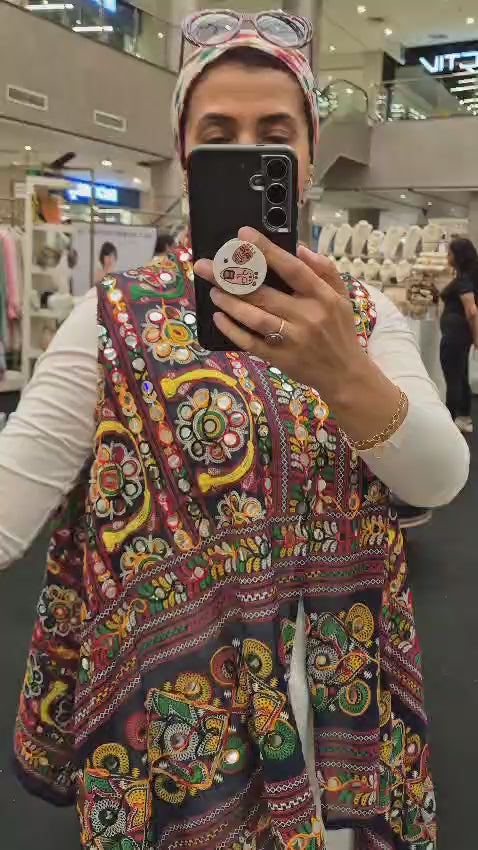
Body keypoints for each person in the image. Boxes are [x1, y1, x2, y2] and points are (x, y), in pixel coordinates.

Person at [1, 10, 469, 850]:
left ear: (310, 154)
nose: (247, 149)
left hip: (334, 702)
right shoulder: (109, 320)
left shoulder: (364, 317)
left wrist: (342, 370)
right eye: (218, 134)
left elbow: (438, 477)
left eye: (275, 134)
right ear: (184, 152)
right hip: (180, 718)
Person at [440, 236, 478, 433]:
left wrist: (476, 337)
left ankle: (452, 418)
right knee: (460, 373)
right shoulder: (469, 276)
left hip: (455, 333)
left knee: (453, 374)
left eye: (450, 253)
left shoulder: (464, 279)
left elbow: (471, 310)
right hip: (459, 332)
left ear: (458, 256)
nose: (447, 257)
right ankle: (463, 417)